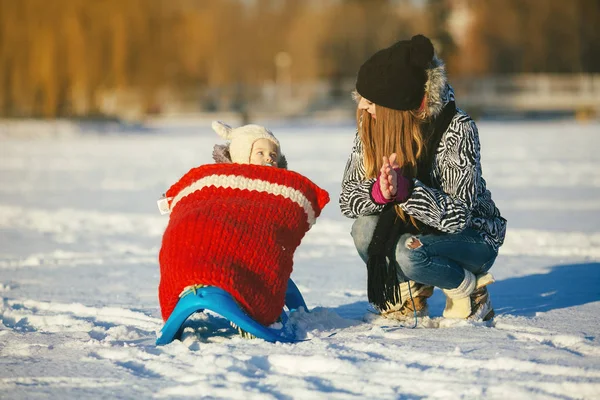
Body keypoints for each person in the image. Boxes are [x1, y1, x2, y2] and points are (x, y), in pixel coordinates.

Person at [340, 34, 506, 322]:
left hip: (472, 237)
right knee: (364, 231)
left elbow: (458, 217)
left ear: (395, 104)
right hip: (413, 229)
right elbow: (347, 200)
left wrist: (407, 191)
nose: (362, 107)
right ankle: (409, 293)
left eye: (369, 101)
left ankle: (469, 289)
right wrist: (378, 193)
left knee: (409, 254)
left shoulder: (457, 129)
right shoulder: (371, 127)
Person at [211, 120, 288, 168]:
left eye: (273, 155)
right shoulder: (229, 181)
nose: (269, 158)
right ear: (242, 156)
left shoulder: (283, 184)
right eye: (260, 153)